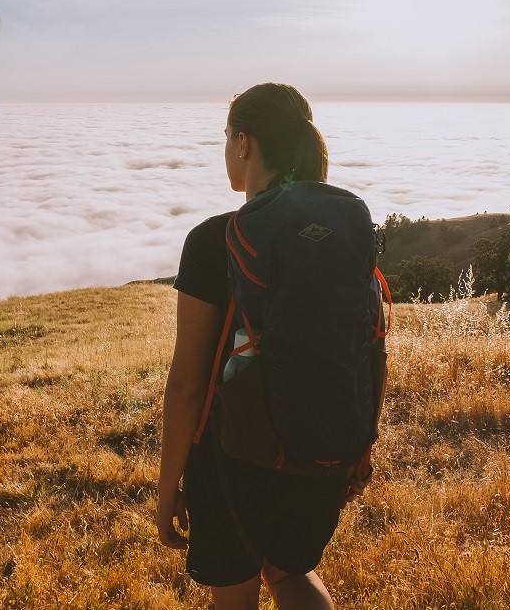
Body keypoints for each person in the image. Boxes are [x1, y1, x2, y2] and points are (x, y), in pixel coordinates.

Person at [157, 83, 384, 610]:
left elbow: (189, 383)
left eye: (227, 137)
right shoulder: (342, 231)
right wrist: (359, 445)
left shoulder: (214, 241)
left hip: (233, 459)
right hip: (323, 451)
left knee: (235, 597)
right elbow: (369, 344)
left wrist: (168, 485)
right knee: (290, 576)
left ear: (244, 144)